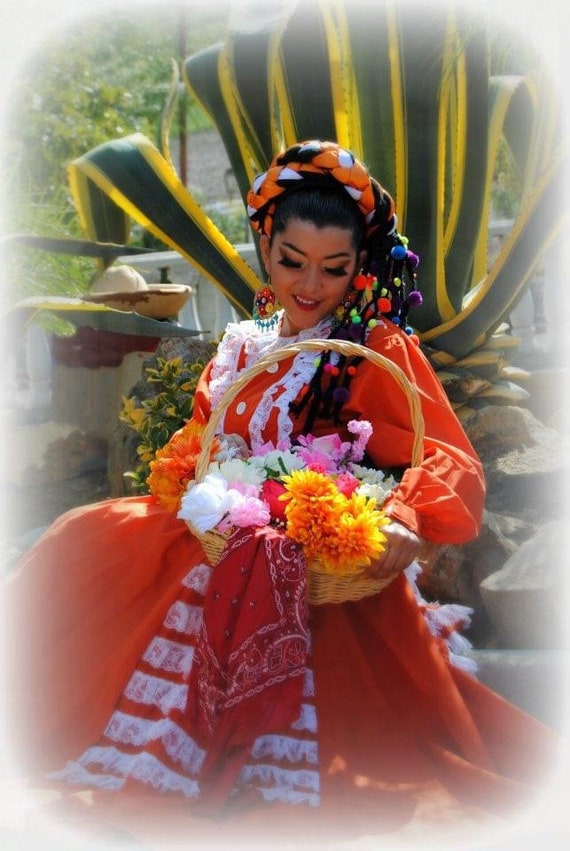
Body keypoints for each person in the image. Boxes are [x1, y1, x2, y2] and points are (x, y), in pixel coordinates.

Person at [1, 140, 559, 849]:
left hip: (323, 555)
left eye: (334, 268)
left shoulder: (375, 346)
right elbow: (201, 433)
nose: (309, 285)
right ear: (265, 241)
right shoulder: (244, 344)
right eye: (292, 261)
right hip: (218, 531)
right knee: (85, 539)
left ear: (361, 267)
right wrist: (194, 477)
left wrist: (405, 512)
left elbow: (446, 455)